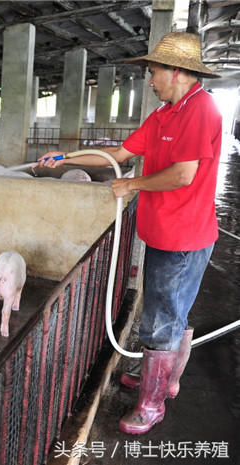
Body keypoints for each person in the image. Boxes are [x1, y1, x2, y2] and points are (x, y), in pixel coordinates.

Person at [37, 32, 222, 435]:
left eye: (154, 72)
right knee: (168, 312)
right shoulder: (163, 115)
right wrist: (64, 157)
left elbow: (183, 174)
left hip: (185, 238)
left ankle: (152, 404)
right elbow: (118, 155)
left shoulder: (201, 110)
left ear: (176, 71)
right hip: (162, 232)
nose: (150, 80)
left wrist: (132, 186)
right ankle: (164, 379)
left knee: (162, 319)